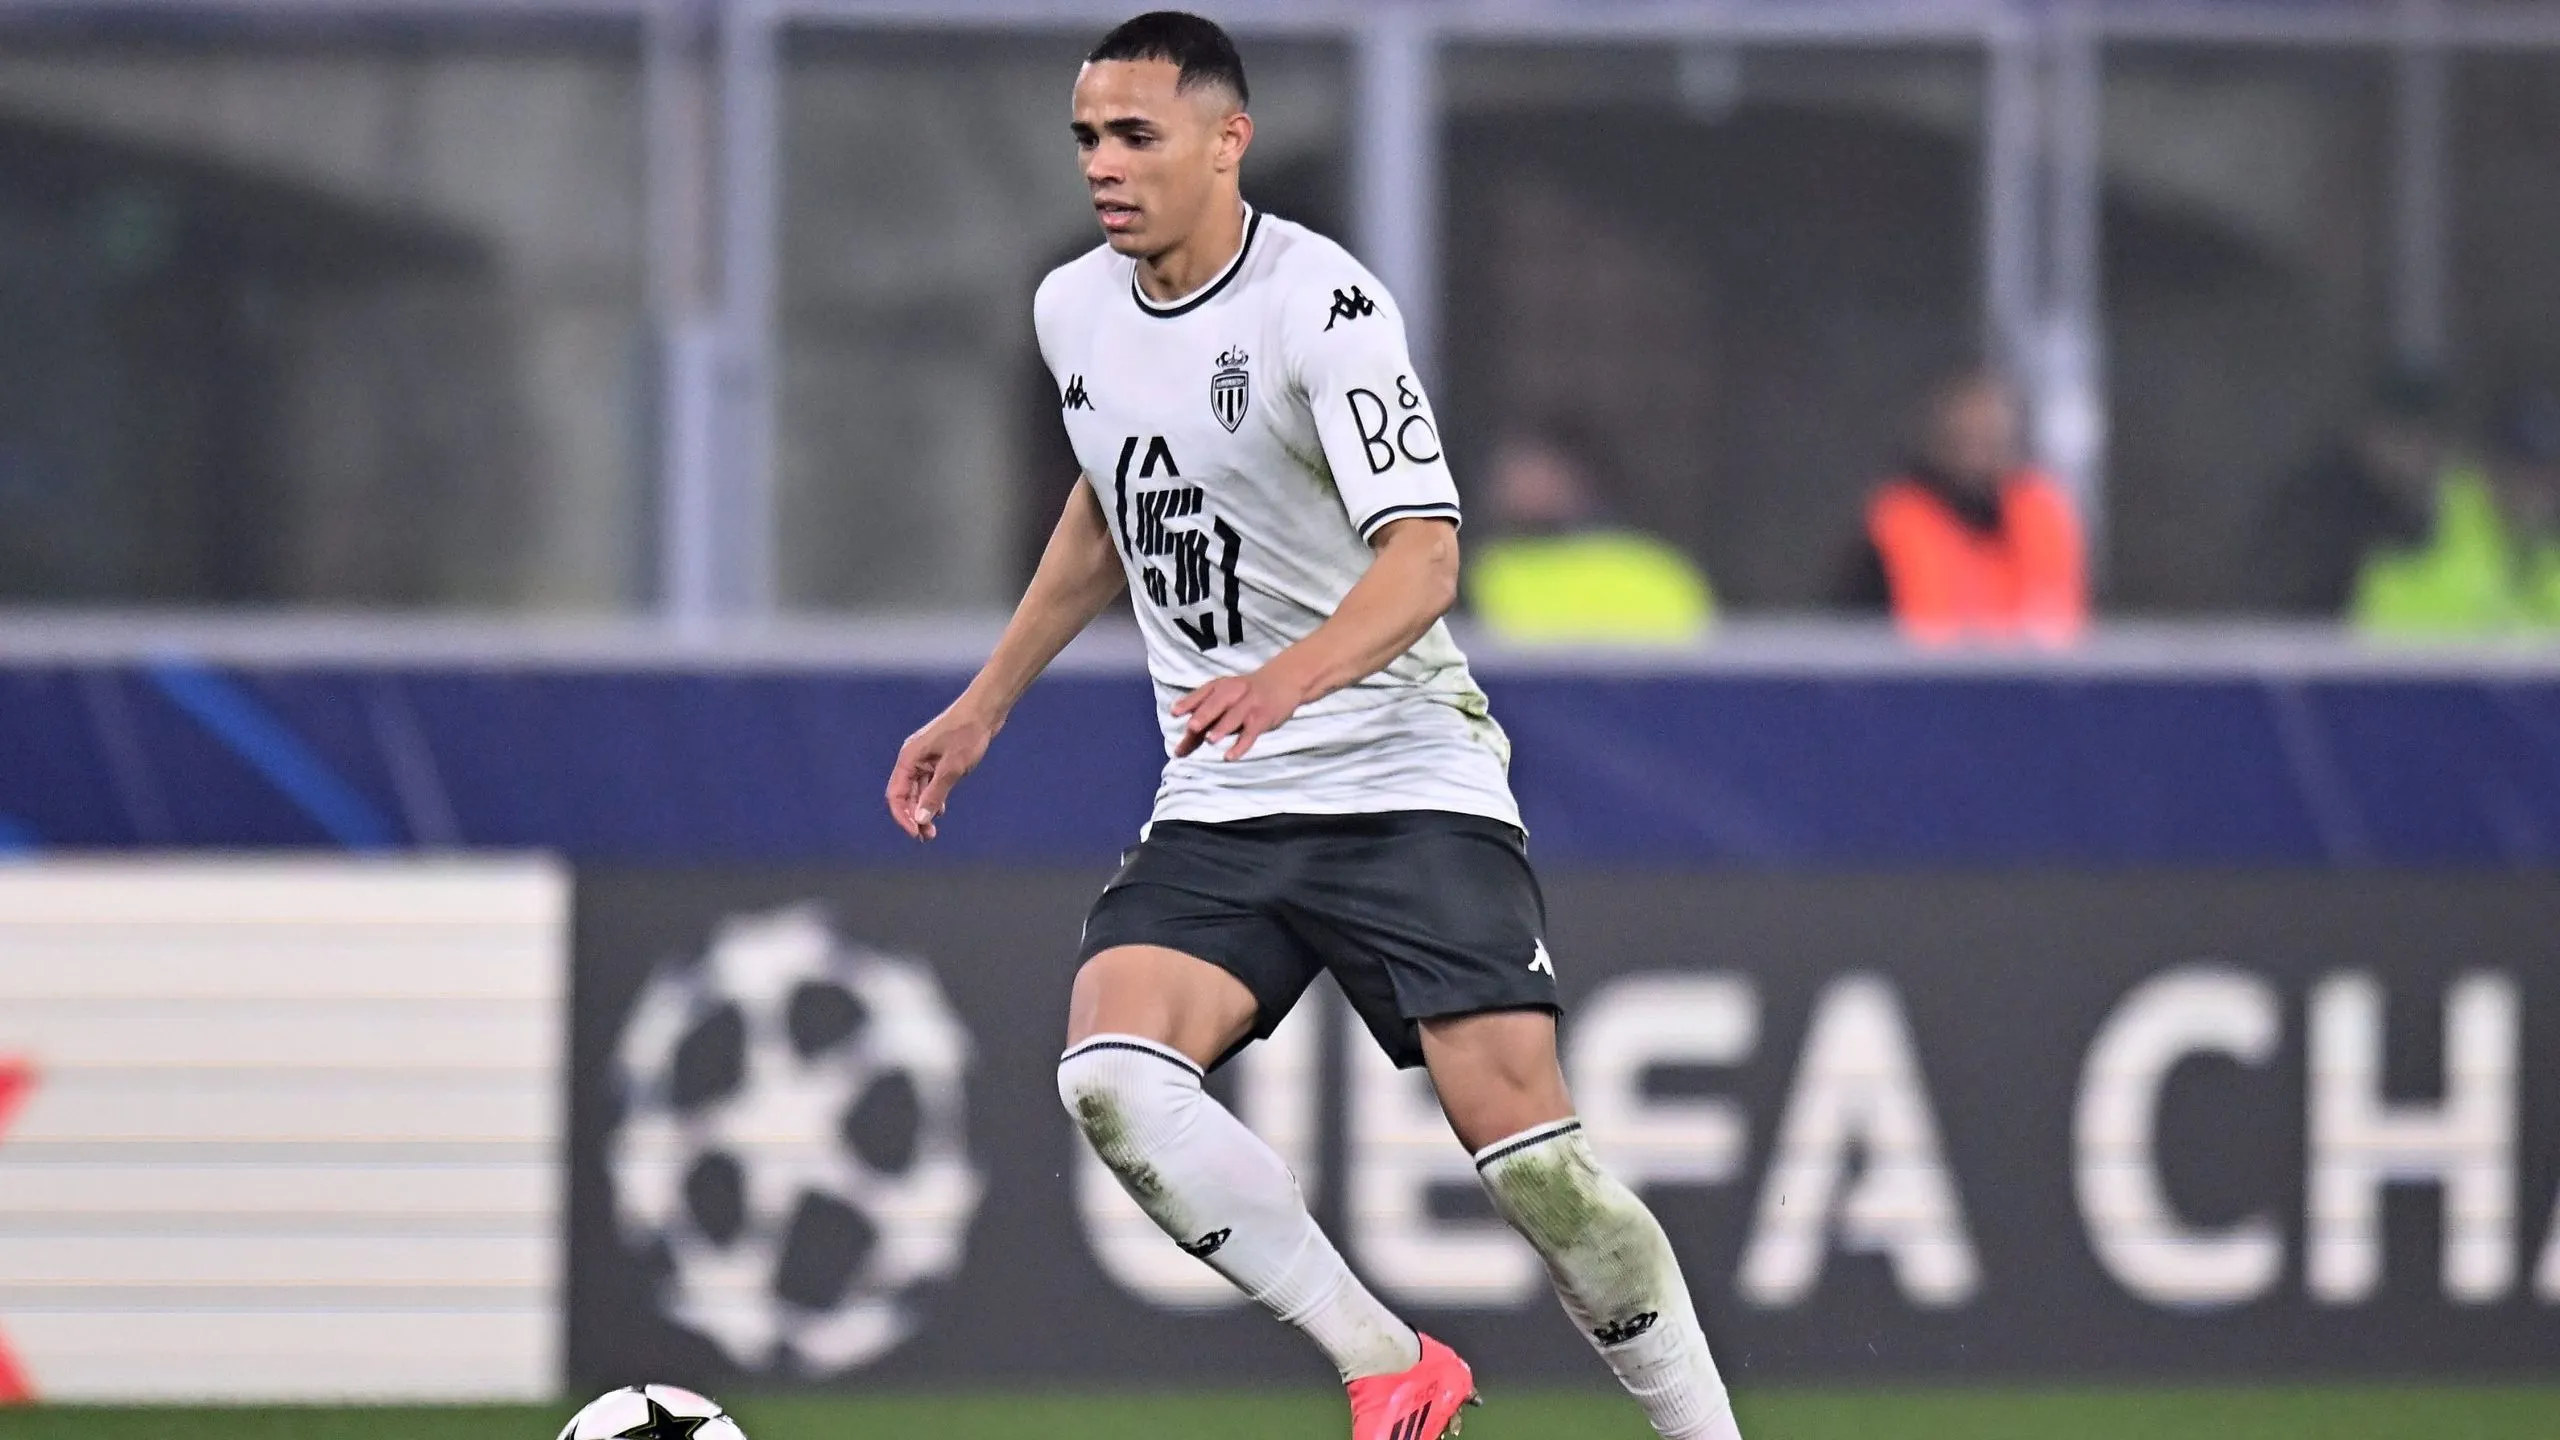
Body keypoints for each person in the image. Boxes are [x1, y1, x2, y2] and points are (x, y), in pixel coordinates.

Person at [883, 15, 1743, 1440]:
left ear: (1229, 142)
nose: (1105, 165)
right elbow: (1108, 507)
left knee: (1534, 1166)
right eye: (1089, 138)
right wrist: (985, 705)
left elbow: (1425, 557)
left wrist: (1291, 678)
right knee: (1110, 1075)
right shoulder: (1071, 311)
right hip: (1226, 796)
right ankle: (1386, 1361)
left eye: (1136, 136)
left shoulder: (1319, 306)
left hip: (1407, 776)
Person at [1836, 368, 2086, 645]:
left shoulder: (2041, 515)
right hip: (1922, 683)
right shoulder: (1896, 522)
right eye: (1966, 438)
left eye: (1991, 440)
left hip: (2034, 683)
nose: (1978, 454)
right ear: (1939, 441)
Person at [1465, 420, 1715, 643]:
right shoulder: (1473, 572)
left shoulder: (1657, 572)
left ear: (1577, 478)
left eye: (1535, 469)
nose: (1515, 485)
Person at [2349, 382, 2560, 636]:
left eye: (2548, 472)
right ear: (2489, 467)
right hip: (2408, 667)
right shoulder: (2430, 516)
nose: (2538, 486)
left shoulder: (2546, 552)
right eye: (2522, 470)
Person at [2249, 366, 2452, 616]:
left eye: (2423, 438)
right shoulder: (2319, 507)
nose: (2411, 454)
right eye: (2399, 437)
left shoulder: (2438, 503)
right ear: (2368, 435)